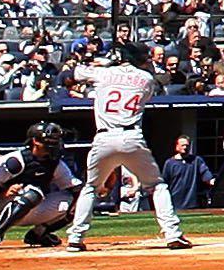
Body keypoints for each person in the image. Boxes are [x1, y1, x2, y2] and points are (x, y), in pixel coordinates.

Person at [64, 41, 195, 251]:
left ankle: (75, 238)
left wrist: (101, 65)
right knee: (157, 186)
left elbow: (69, 74)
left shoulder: (104, 73)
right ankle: (173, 234)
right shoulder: (147, 79)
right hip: (132, 137)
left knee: (91, 187)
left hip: (104, 138)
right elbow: (146, 77)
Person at [0, 119, 81, 249]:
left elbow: (73, 186)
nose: (53, 146)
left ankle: (39, 234)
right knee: (34, 192)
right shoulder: (16, 160)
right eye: (49, 142)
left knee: (78, 201)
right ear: (35, 142)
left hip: (35, 205)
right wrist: (3, 192)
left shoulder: (55, 163)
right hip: (5, 205)